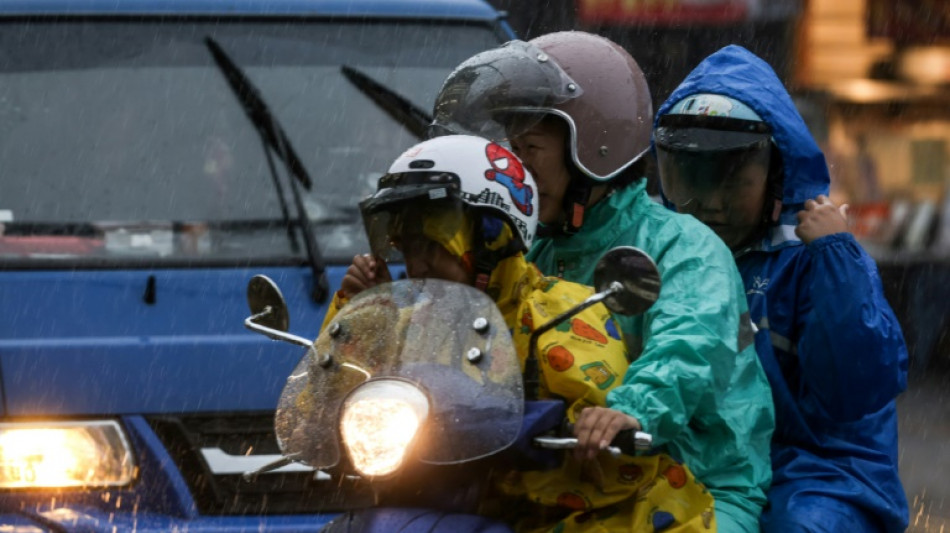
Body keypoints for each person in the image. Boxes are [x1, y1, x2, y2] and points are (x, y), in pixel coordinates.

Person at [430, 32, 774, 532]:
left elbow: (688, 345)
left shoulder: (683, 246)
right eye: (509, 151)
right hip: (567, 485)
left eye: (530, 149)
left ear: (592, 147)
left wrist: (631, 411)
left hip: (692, 484)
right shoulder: (534, 249)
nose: (516, 172)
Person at [329, 134, 717, 531]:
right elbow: (344, 395)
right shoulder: (414, 322)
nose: (419, 263)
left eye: (436, 244)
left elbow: (612, 424)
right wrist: (359, 314)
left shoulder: (557, 313)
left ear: (492, 237)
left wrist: (600, 422)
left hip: (590, 517)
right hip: (475, 510)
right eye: (407, 245)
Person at [653, 45, 909, 532]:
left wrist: (836, 258)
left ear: (776, 173)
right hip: (704, 458)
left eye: (730, 178)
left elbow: (855, 389)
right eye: (689, 174)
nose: (707, 202)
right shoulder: (661, 247)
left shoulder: (814, 255)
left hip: (820, 468)